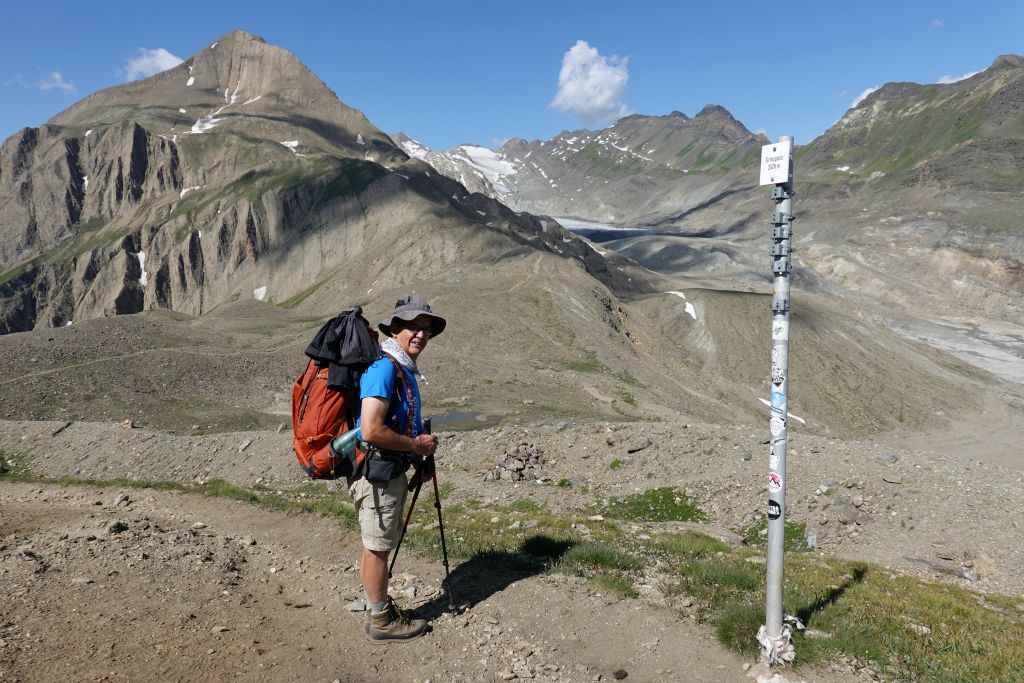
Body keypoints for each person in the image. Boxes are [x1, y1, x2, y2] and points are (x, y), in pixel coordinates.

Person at [350, 293, 445, 640]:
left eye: (426, 330)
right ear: (395, 329)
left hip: (389, 470)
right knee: (377, 546)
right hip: (377, 473)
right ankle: (381, 621)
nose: (421, 335)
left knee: (376, 543)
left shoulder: (400, 368)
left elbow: (395, 424)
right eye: (413, 328)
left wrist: (418, 458)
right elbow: (373, 429)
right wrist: (416, 446)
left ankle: (380, 609)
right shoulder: (384, 369)